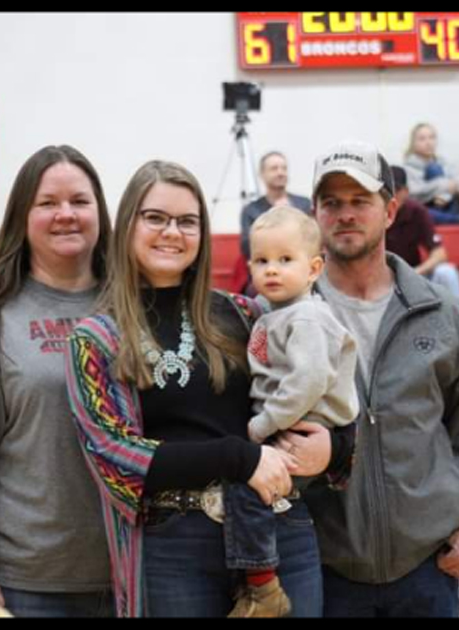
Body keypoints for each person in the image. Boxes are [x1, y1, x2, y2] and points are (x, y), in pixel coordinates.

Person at [64, 161, 356, 617]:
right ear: (127, 227)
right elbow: (113, 454)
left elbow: (324, 386)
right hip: (176, 547)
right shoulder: (96, 339)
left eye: (188, 221)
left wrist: (335, 448)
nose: (172, 232)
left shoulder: (245, 314)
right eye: (155, 217)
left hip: (280, 530)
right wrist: (240, 458)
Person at [304, 141, 459, 618]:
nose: (345, 214)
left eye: (361, 201)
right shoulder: (287, 319)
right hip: (322, 569)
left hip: (427, 568)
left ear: (391, 210)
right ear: (315, 213)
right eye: (332, 203)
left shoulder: (446, 316)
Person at [0, 145, 116, 618]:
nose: (66, 215)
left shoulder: (135, 309)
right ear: (22, 217)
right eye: (48, 202)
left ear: (101, 213)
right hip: (26, 584)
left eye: (79, 201)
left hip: (136, 572)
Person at [221, 205, 360, 616]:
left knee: (247, 489)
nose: (272, 270)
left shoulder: (308, 317)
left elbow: (309, 380)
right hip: (289, 418)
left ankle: (264, 590)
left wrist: (261, 426)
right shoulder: (275, 314)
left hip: (306, 424)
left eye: (285, 260)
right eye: (262, 261)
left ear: (314, 267)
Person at [384, 166, 459, 300]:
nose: (392, 195)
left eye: (396, 190)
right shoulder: (373, 212)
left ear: (406, 191)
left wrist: (414, 273)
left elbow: (440, 254)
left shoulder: (416, 211)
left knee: (447, 273)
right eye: (387, 190)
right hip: (380, 279)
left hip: (413, 274)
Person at [403, 123, 459, 225]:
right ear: (413, 143)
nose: (428, 142)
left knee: (435, 167)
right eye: (422, 139)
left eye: (432, 137)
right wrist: (442, 186)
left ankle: (454, 219)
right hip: (428, 209)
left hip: (449, 207)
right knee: (420, 213)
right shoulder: (407, 168)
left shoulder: (445, 163)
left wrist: (445, 196)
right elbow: (414, 193)